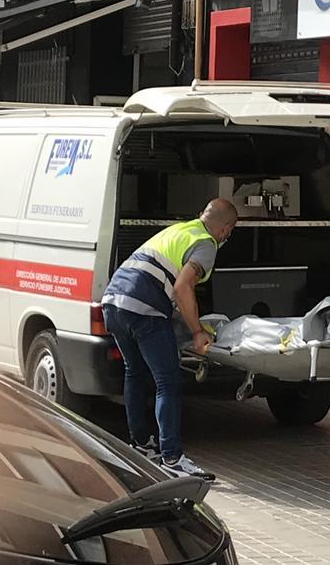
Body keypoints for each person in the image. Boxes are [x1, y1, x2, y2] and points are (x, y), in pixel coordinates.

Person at [101, 198, 237, 479]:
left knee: (135, 373)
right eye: (229, 231)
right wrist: (198, 332)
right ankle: (172, 459)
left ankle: (140, 445)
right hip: (143, 308)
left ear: (201, 214)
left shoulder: (180, 230)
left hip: (114, 301)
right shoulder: (206, 244)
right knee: (168, 381)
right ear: (225, 229)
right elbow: (182, 286)